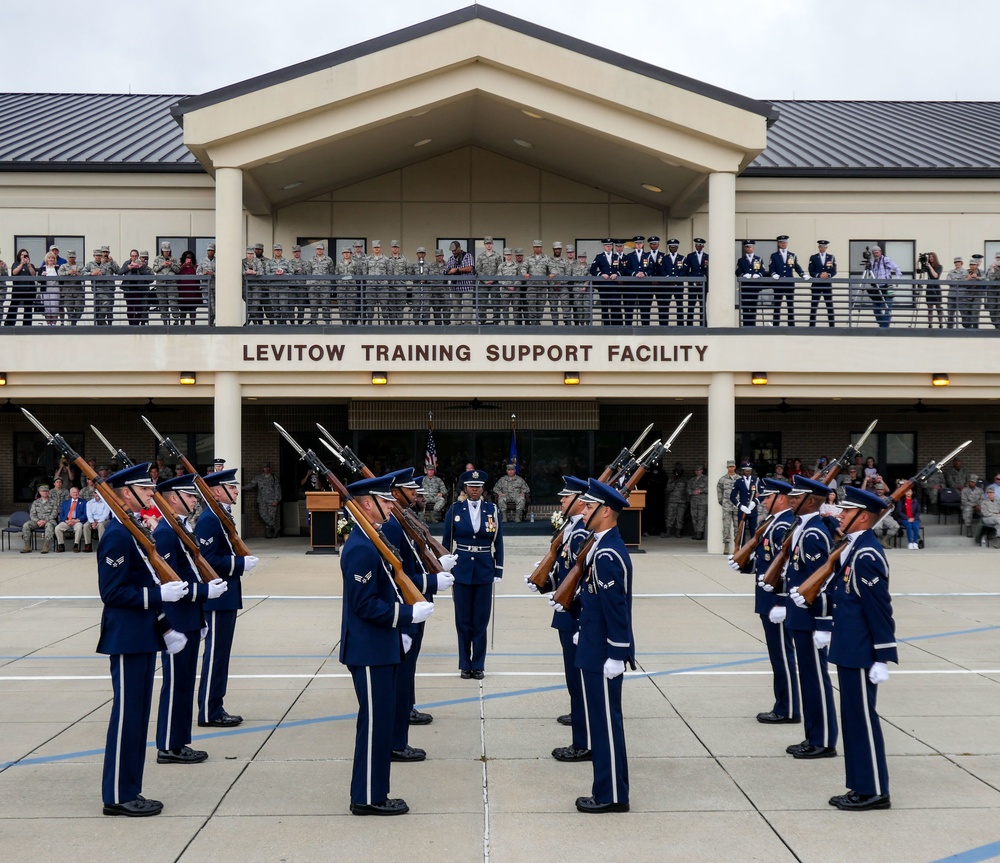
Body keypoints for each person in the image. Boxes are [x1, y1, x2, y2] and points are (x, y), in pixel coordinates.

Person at [97, 463, 191, 817]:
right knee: (127, 717)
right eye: (146, 490)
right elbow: (113, 592)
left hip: (142, 635)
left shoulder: (132, 528)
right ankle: (119, 795)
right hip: (127, 637)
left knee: (137, 717)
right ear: (126, 493)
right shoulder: (118, 536)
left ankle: (129, 789)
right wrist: (159, 596)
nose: (153, 494)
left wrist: (164, 625)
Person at [339, 473, 435, 816]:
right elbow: (364, 605)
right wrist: (408, 615)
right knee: (374, 725)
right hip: (368, 650)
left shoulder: (373, 540)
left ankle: (374, 792)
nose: (393, 504)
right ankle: (366, 797)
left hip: (380, 646)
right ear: (368, 504)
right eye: (386, 500)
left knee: (380, 724)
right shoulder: (362, 548)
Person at [811, 486, 897, 811]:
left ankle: (874, 789)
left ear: (862, 517)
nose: (839, 515)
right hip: (848, 648)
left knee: (862, 719)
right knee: (852, 718)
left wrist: (883, 656)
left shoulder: (867, 556)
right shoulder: (852, 548)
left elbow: (879, 608)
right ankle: (861, 786)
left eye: (846, 512)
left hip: (862, 652)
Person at [560, 477, 634, 813]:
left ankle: (611, 796)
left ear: (605, 512)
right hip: (593, 645)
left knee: (605, 726)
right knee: (603, 723)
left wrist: (618, 653)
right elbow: (594, 602)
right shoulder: (600, 547)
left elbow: (616, 609)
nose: (583, 510)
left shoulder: (607, 553)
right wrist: (582, 627)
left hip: (603, 652)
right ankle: (608, 790)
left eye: (589, 506)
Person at [153, 474, 229, 765]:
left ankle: (179, 741)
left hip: (190, 617)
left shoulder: (181, 528)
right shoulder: (166, 533)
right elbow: (171, 583)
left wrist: (201, 613)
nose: (196, 499)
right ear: (174, 498)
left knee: (185, 682)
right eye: (190, 495)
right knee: (176, 684)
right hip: (177, 619)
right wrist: (204, 591)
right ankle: (169, 745)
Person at [382, 469, 455, 759]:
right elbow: (398, 573)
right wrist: (431, 581)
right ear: (396, 493)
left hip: (415, 605)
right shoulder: (391, 525)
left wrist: (437, 562)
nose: (417, 495)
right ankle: (397, 739)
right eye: (411, 491)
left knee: (407, 669)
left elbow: (416, 557)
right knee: (401, 674)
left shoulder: (405, 519)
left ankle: (406, 712)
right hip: (406, 607)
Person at [774, 475, 838, 760]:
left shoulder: (814, 534)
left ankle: (823, 740)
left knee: (815, 679)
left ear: (810, 501)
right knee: (809, 678)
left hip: (811, 619)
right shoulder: (802, 528)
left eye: (796, 498)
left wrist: (823, 623)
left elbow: (824, 581)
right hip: (799, 615)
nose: (790, 501)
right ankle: (813, 735)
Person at [527, 476, 590, 760]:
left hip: (575, 616)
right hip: (567, 614)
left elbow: (583, 581)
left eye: (566, 497)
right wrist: (546, 582)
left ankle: (583, 741)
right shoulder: (572, 529)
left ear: (581, 502)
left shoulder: (580, 534)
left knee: (579, 681)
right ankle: (579, 722)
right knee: (573, 679)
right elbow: (565, 572)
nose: (562, 501)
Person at [194, 469, 259, 728]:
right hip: (218, 597)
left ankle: (215, 706)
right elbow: (207, 560)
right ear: (217, 491)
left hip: (226, 596)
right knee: (215, 656)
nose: (236, 491)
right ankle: (209, 711)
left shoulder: (221, 517)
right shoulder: (210, 519)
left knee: (221, 655)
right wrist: (239, 564)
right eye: (231, 488)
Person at [442, 469, 504, 679]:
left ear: (483, 488)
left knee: (480, 620)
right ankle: (464, 664)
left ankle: (478, 664)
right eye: (471, 486)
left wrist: (498, 568)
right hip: (462, 570)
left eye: (478, 487)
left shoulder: (492, 510)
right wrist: (445, 568)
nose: (474, 490)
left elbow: (499, 542)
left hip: (484, 569)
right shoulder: (455, 509)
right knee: (462, 621)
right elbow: (446, 543)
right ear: (465, 488)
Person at [747, 479, 799, 725]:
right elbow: (766, 559)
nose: (763, 501)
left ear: (780, 498)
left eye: (767, 497)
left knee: (782, 655)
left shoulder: (784, 526)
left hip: (776, 602)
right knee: (778, 654)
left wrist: (781, 601)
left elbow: (788, 568)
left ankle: (787, 708)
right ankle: (783, 704)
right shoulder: (773, 523)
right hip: (768, 598)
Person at [768, 235, 804, 326]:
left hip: (789, 283)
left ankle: (791, 325)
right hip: (778, 283)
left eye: (784, 242)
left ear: (787, 243)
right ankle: (776, 325)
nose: (783, 244)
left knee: (790, 305)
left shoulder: (792, 255)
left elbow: (796, 267)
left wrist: (802, 274)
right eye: (781, 242)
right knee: (777, 305)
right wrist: (773, 274)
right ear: (778, 243)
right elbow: (771, 267)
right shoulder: (774, 255)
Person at [244, 463, 282, 538]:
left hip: (272, 500)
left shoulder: (274, 478)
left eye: (267, 467)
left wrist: (276, 500)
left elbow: (277, 489)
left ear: (269, 468)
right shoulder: (259, 477)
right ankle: (275, 526)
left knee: (271, 516)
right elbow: (252, 484)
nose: (266, 469)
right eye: (265, 468)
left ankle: (270, 533)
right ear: (263, 468)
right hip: (262, 500)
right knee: (263, 514)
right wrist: (243, 488)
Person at [866, 245, 901, 328]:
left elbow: (897, 268)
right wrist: (867, 268)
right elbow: (869, 275)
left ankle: (884, 328)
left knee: (887, 308)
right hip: (877, 287)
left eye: (877, 252)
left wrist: (897, 279)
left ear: (880, 252)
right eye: (874, 253)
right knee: (876, 308)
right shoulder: (872, 262)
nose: (875, 254)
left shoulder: (886, 259)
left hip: (888, 286)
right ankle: (883, 324)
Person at [590, 239, 622, 326]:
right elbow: (592, 270)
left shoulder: (616, 256)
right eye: (607, 246)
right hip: (603, 285)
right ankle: (606, 325)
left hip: (614, 285)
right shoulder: (599, 257)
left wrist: (617, 273)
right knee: (604, 306)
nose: (608, 247)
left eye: (610, 246)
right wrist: (600, 274)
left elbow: (623, 269)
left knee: (614, 305)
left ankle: (614, 325)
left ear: (612, 246)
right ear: (603, 246)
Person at [730, 461, 761, 546]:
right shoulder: (738, 482)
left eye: (749, 470)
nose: (748, 472)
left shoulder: (756, 481)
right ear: (743, 471)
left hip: (752, 510)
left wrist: (754, 503)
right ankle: (741, 551)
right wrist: (740, 506)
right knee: (741, 533)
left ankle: (753, 551)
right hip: (742, 510)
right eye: (746, 470)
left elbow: (763, 494)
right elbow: (732, 497)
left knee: (753, 532)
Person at [807, 240, 837, 327]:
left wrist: (828, 275)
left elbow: (834, 270)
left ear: (826, 247)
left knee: (829, 306)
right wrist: (819, 275)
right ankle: (812, 326)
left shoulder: (831, 257)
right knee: (814, 306)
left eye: (824, 247)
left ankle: (832, 327)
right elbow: (811, 271)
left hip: (827, 285)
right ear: (819, 247)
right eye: (821, 247)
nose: (822, 248)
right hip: (816, 285)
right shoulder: (813, 257)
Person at [735, 240, 765, 326]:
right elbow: (737, 272)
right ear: (745, 248)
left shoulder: (758, 259)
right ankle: (746, 325)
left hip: (755, 287)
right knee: (745, 307)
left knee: (753, 307)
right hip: (745, 287)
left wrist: (758, 275)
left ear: (753, 247)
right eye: (747, 247)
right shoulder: (741, 260)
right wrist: (744, 275)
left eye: (750, 246)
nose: (749, 248)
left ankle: (752, 325)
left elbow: (762, 271)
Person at [22, 483, 58, 553]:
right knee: (26, 525)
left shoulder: (53, 502)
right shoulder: (36, 502)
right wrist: (38, 521)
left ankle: (46, 547)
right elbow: (32, 514)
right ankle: (27, 546)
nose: (45, 493)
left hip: (49, 521)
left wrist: (44, 521)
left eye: (46, 491)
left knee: (49, 526)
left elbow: (54, 514)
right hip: (37, 522)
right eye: (43, 491)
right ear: (40, 492)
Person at [445, 240, 476, 323]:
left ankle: (467, 324)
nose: (453, 252)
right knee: (456, 306)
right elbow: (447, 270)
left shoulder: (467, 256)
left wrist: (457, 270)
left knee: (467, 305)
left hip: (466, 286)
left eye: (455, 250)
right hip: (455, 286)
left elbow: (470, 268)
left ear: (459, 248)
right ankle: (457, 323)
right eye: (452, 251)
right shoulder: (450, 259)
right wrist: (447, 272)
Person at [121, 250, 153, 325]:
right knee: (130, 308)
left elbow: (149, 278)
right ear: (130, 256)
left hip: (138, 289)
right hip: (128, 289)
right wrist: (128, 268)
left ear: (138, 256)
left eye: (135, 256)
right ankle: (131, 324)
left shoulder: (141, 264)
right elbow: (119, 272)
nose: (134, 257)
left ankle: (137, 324)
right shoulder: (127, 263)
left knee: (138, 308)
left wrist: (141, 267)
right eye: (132, 256)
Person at [54, 486, 87, 552]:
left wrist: (77, 520)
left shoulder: (83, 502)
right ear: (70, 494)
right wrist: (66, 520)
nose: (75, 494)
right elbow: (62, 514)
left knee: (79, 528)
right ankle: (61, 545)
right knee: (57, 528)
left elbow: (85, 514)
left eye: (77, 492)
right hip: (67, 521)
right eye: (73, 492)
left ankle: (76, 545)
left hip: (77, 521)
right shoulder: (65, 502)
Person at [716, 460, 739, 554]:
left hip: (737, 505)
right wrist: (721, 500)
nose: (731, 468)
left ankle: (737, 546)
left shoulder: (739, 478)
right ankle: (726, 545)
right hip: (726, 505)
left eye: (732, 466)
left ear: (735, 467)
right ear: (727, 467)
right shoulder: (723, 479)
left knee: (737, 526)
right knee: (726, 526)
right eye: (729, 467)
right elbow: (719, 490)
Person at [920, 251, 944, 328]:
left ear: (935, 258)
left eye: (932, 257)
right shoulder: (926, 266)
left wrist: (930, 267)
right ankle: (930, 324)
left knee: (938, 308)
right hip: (929, 288)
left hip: (936, 288)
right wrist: (918, 261)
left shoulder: (939, 266)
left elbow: (935, 276)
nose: (931, 258)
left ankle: (941, 324)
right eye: (929, 257)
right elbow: (919, 271)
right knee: (930, 308)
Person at [176, 251, 200, 324]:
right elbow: (176, 272)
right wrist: (183, 265)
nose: (188, 259)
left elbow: (199, 273)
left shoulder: (196, 267)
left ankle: (193, 326)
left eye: (190, 257)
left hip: (193, 292)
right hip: (183, 292)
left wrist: (192, 266)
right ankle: (182, 326)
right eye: (187, 257)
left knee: (192, 309)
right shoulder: (180, 267)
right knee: (183, 309)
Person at [38, 251, 61, 326]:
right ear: (46, 259)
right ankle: (48, 324)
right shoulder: (42, 268)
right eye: (49, 258)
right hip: (46, 290)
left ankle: (54, 323)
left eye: (52, 258)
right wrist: (42, 276)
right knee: (47, 308)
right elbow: (38, 280)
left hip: (55, 289)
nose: (51, 259)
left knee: (54, 307)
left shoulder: (58, 268)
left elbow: (62, 279)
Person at [665, 462, 688, 538]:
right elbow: (668, 489)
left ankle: (678, 533)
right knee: (670, 517)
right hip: (672, 501)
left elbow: (687, 490)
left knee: (680, 517)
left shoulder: (685, 480)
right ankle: (668, 532)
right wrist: (674, 481)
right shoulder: (671, 479)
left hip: (682, 502)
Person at [687, 465, 709, 540]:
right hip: (693, 501)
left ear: (702, 471)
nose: (697, 472)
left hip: (702, 501)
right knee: (694, 517)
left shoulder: (706, 479)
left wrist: (701, 491)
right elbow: (688, 489)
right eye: (696, 470)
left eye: (699, 470)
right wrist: (692, 492)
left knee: (701, 517)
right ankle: (696, 532)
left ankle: (700, 533)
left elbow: (709, 488)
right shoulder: (692, 480)